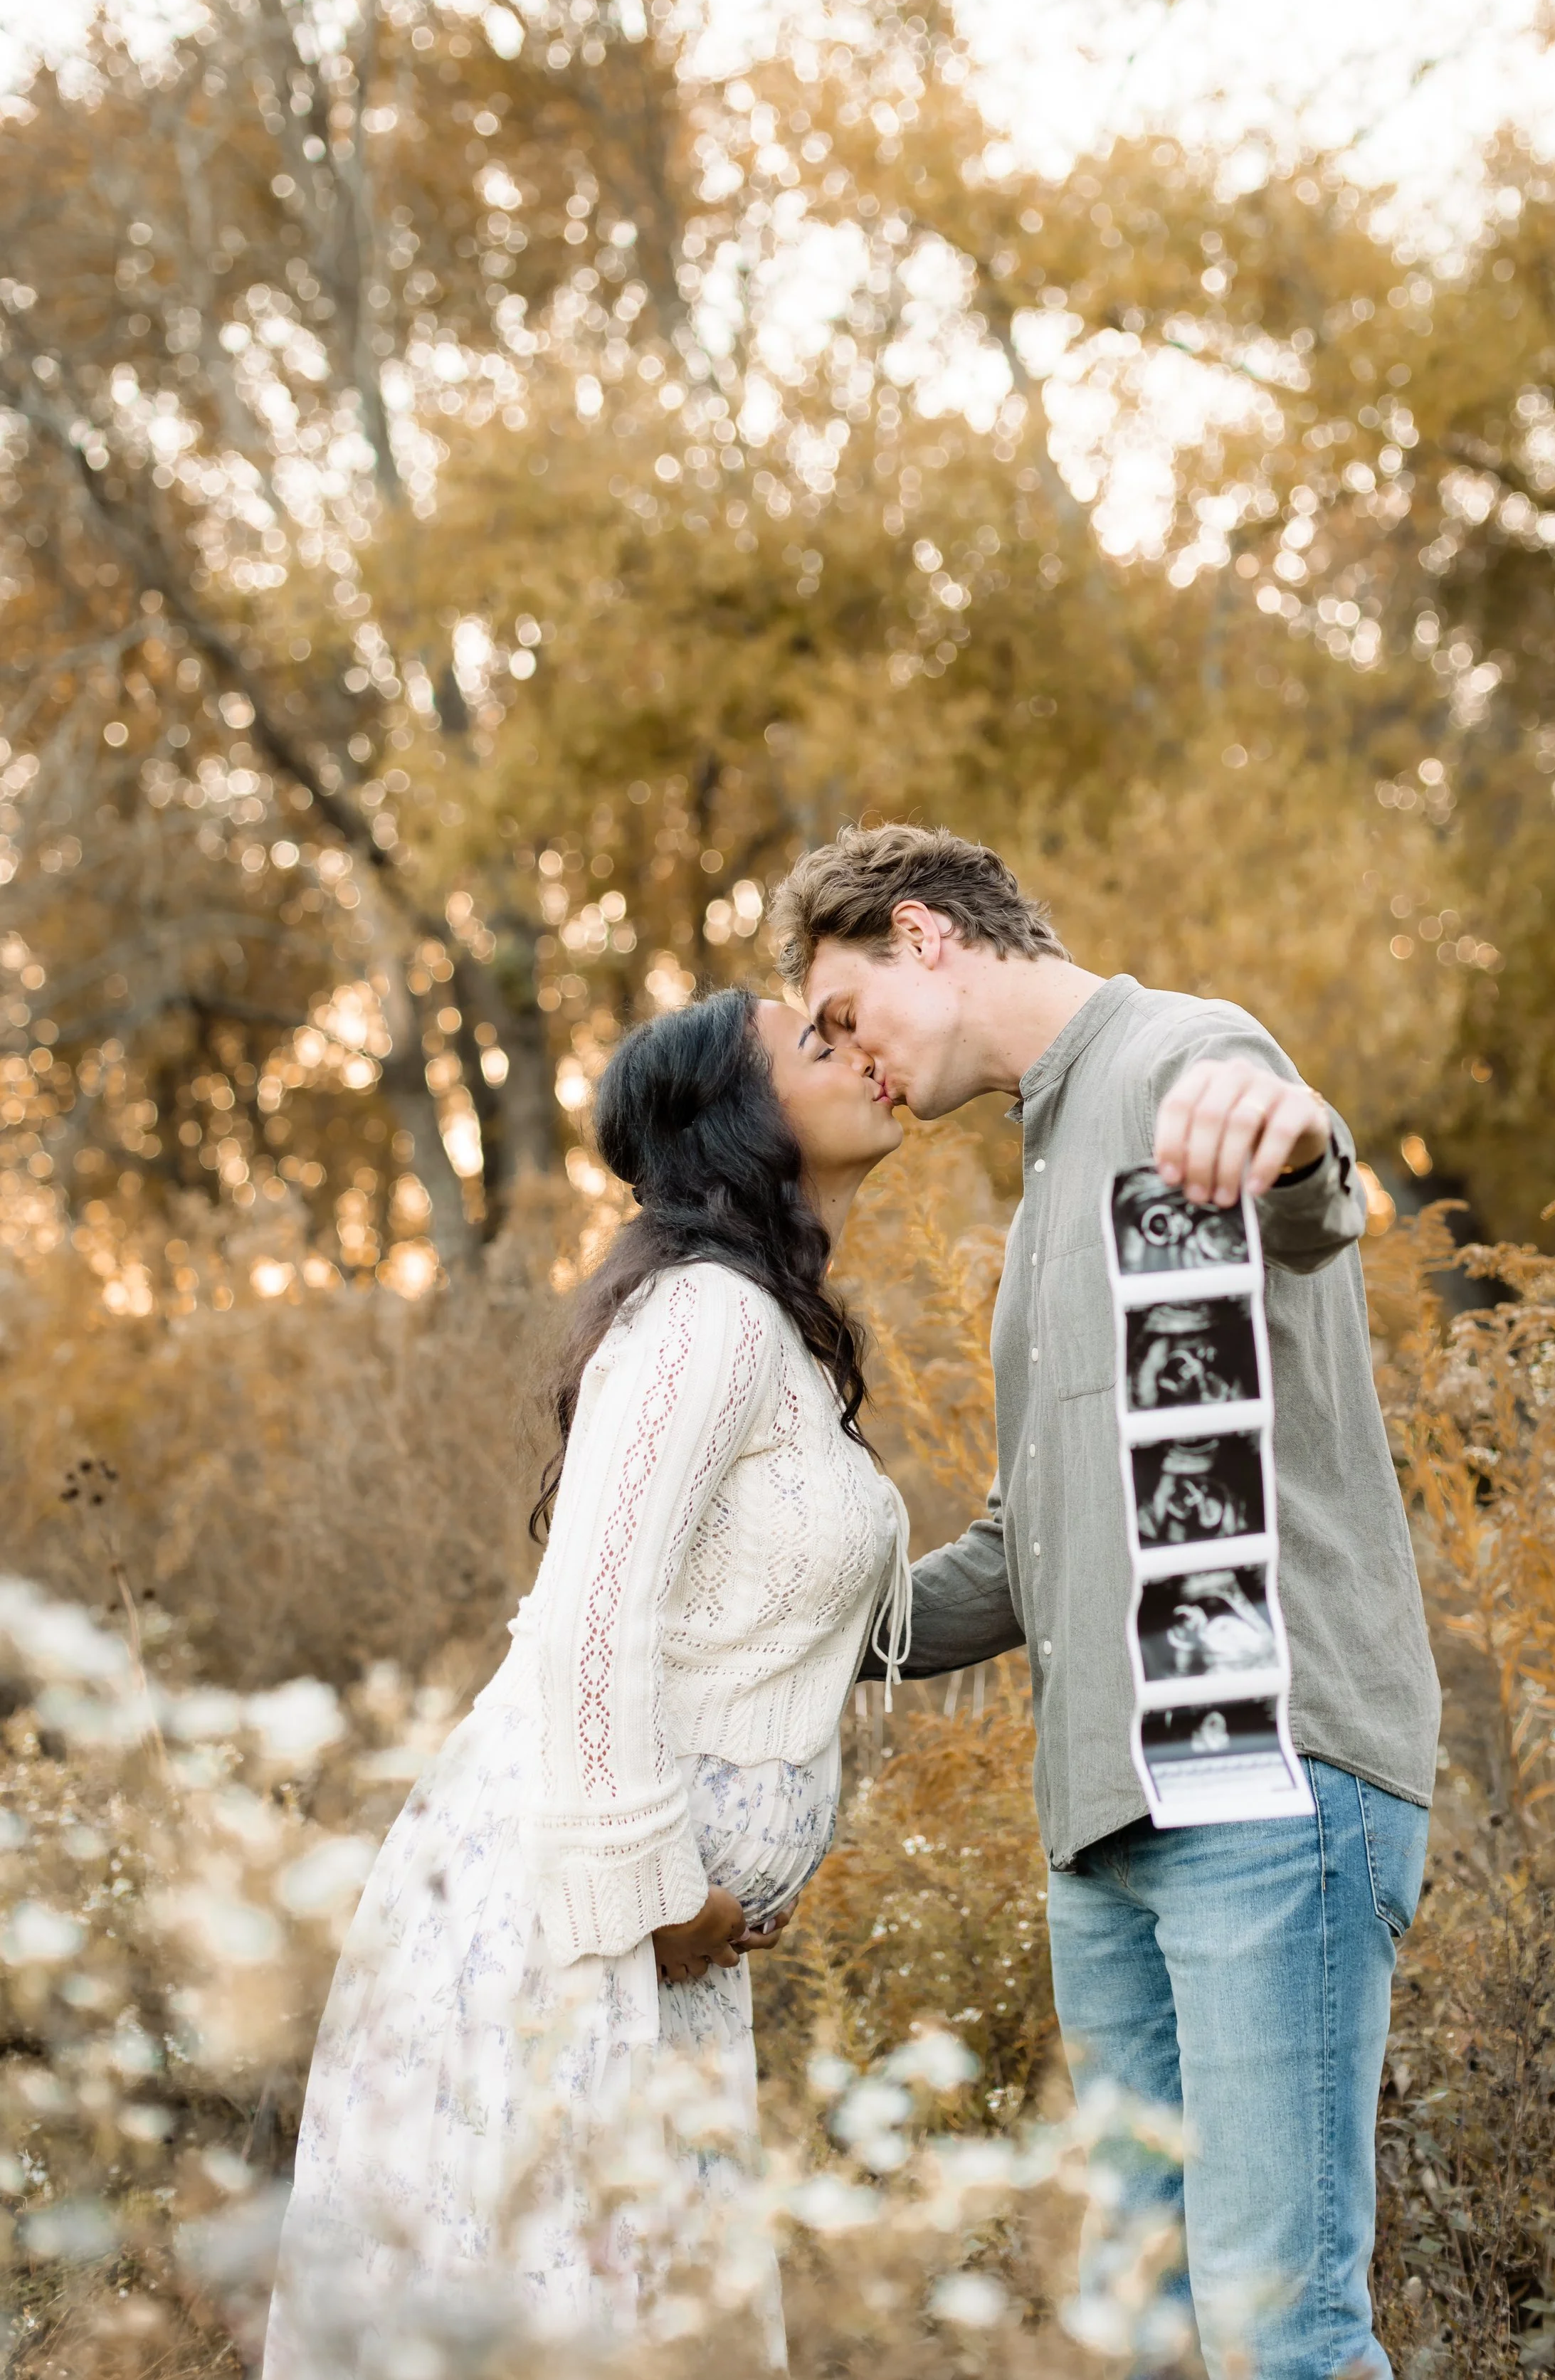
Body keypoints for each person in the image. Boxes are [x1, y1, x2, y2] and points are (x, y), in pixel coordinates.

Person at [769, 825, 1442, 2380]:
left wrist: (1285, 1130)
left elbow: (1298, 1173)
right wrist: (789, 1612)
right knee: (1137, 2333)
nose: (848, 1059)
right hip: (1105, 1835)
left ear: (922, 934)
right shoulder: (1045, 1173)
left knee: (1279, 2329)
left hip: (1261, 1787)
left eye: (845, 1011)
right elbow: (1026, 1552)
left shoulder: (1176, 1054)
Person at [263, 989, 910, 2374]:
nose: (862, 1053)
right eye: (817, 1041)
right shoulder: (704, 1317)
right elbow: (587, 1615)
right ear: (736, 1116)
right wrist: (658, 1894)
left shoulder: (770, 1328)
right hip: (571, 1914)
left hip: (635, 1932)